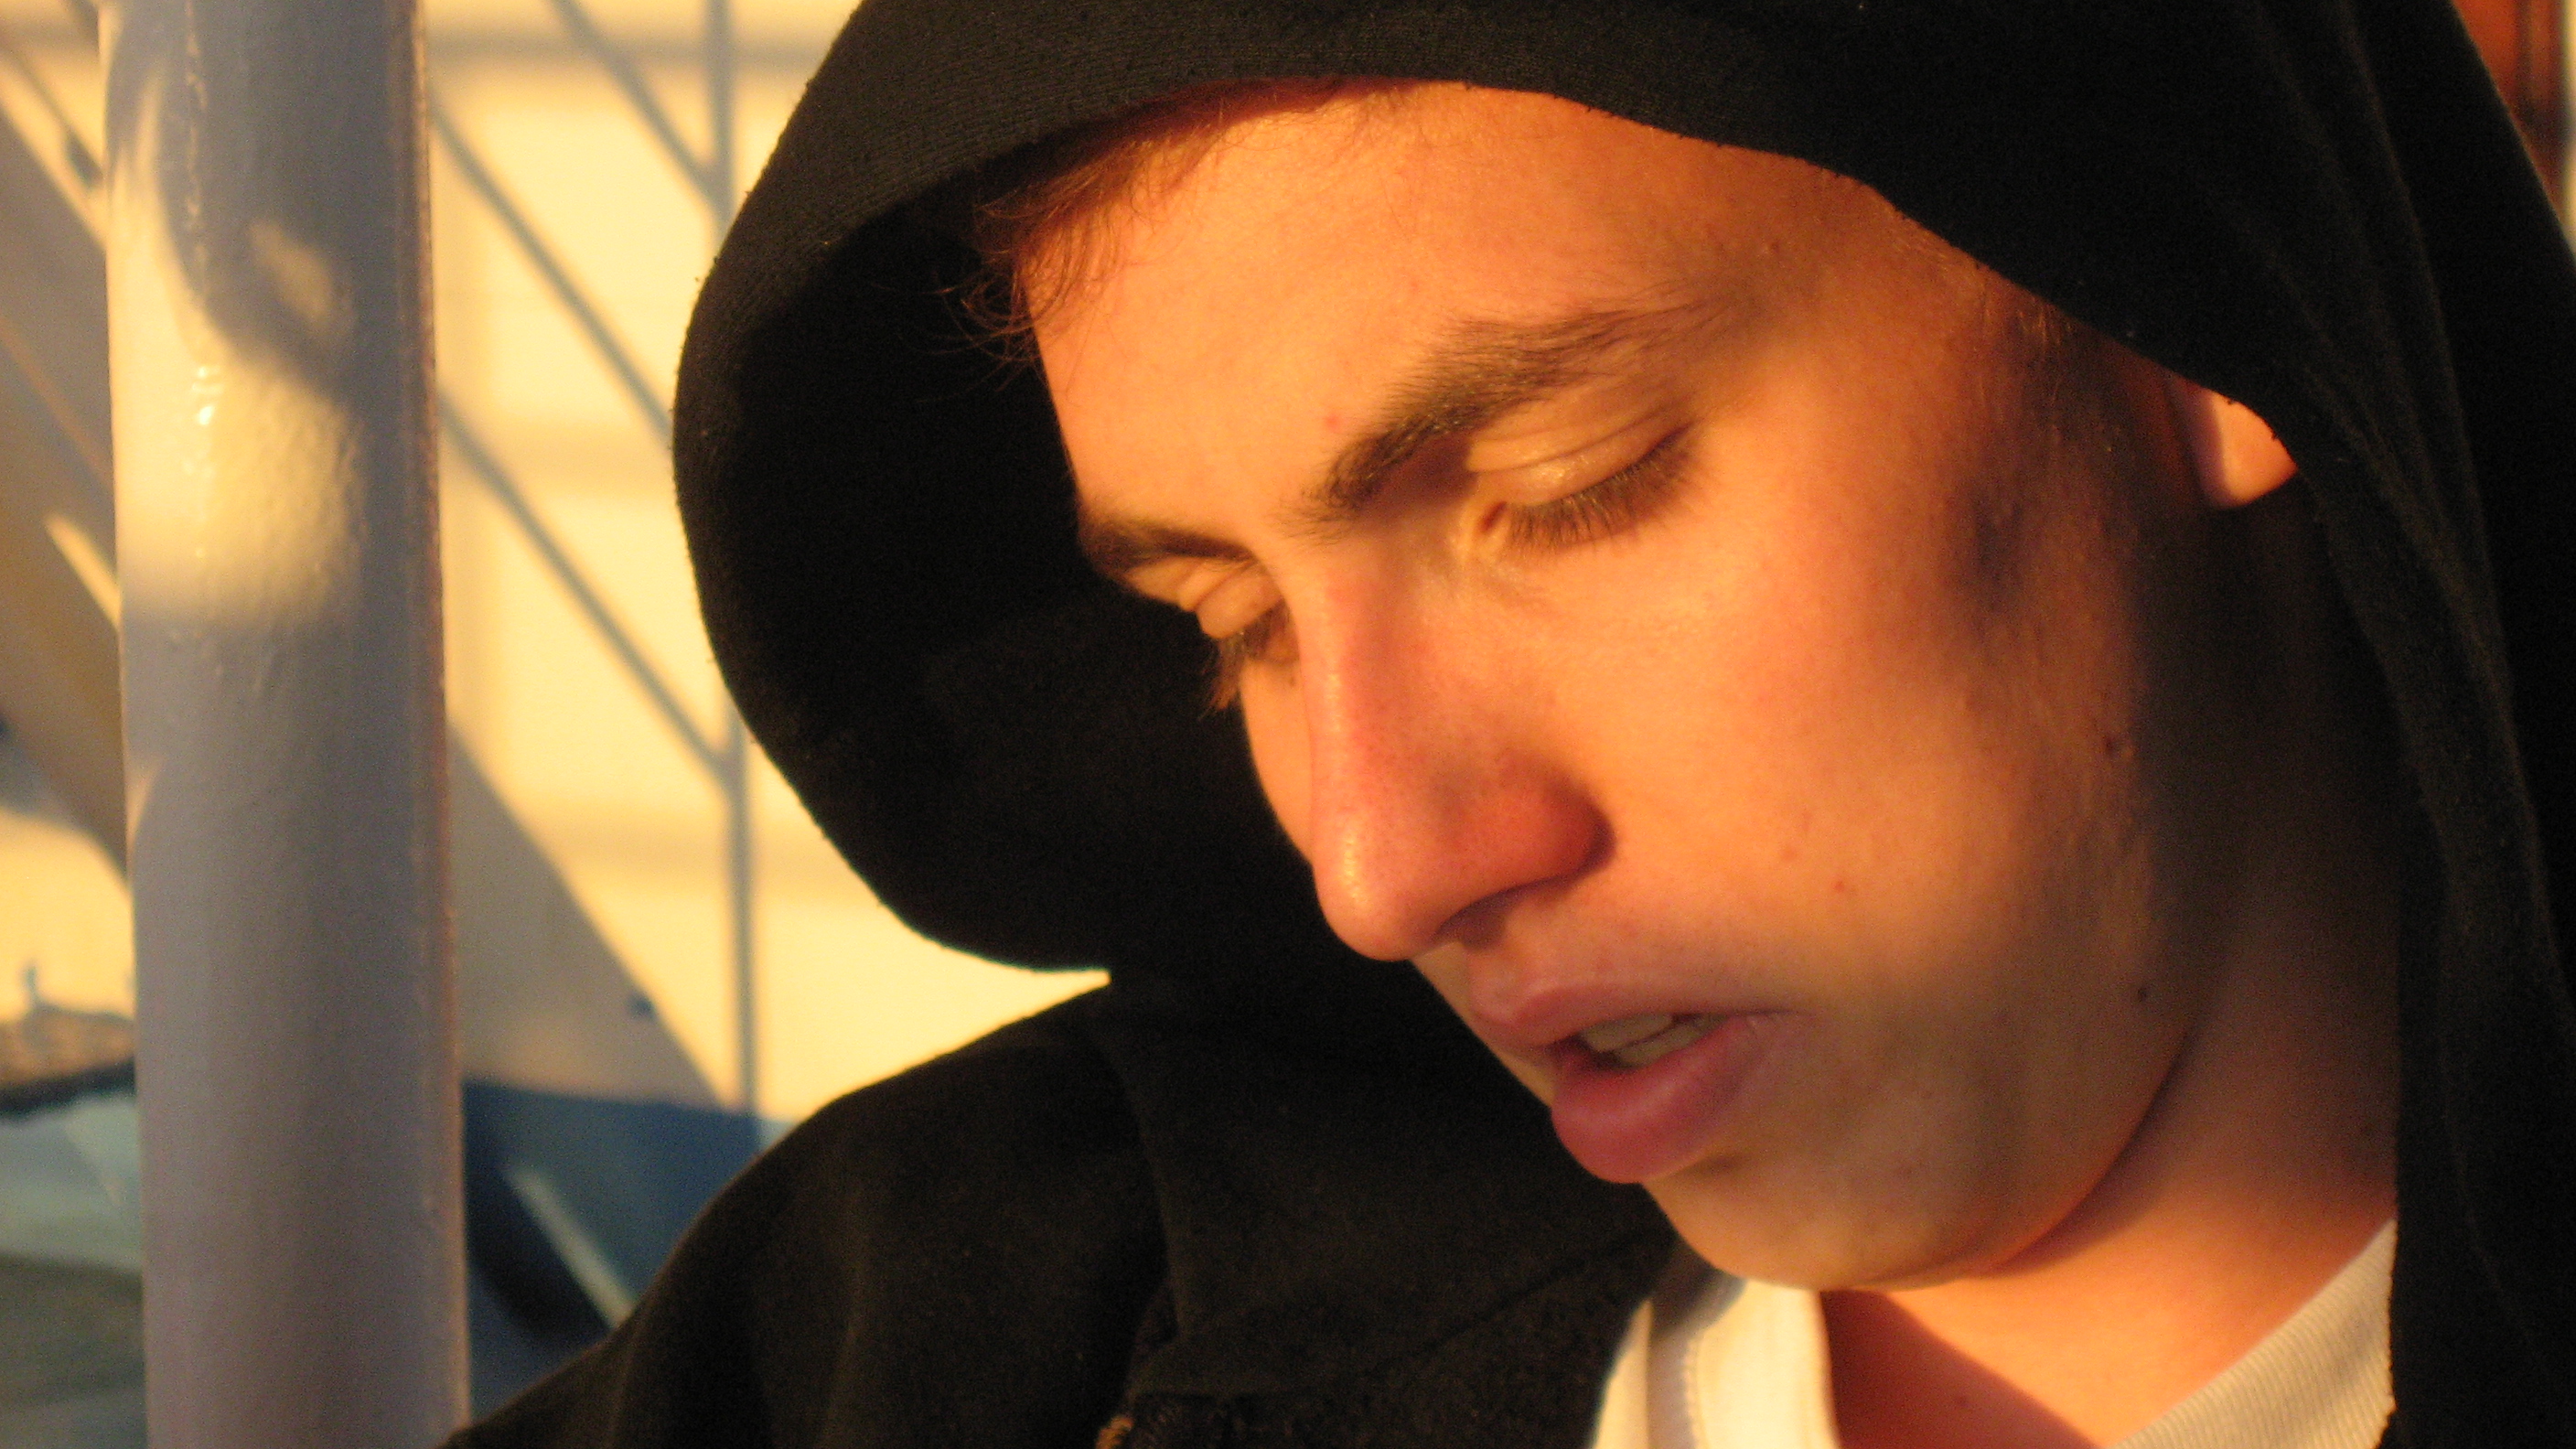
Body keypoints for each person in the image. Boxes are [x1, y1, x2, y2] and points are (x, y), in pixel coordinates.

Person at [451, 1, 2576, 1445]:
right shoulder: (972, 1324)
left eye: (1566, 488)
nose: (1381, 869)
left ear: (2181, 309)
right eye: (1233, 624)